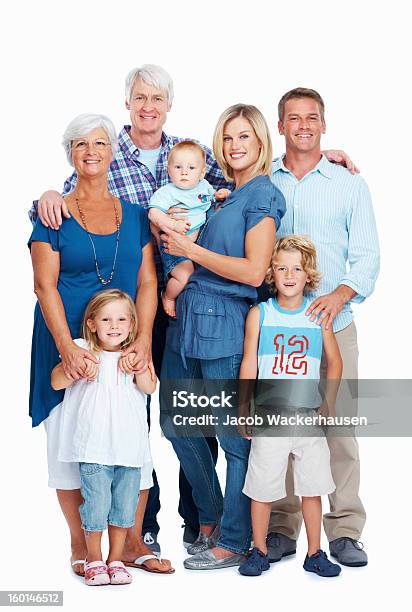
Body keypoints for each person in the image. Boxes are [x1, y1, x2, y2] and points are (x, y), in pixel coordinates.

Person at [28, 64, 229, 550]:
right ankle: (140, 529)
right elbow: (64, 207)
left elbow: (243, 185)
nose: (148, 106)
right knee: (124, 416)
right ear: (128, 103)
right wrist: (47, 193)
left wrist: (310, 154)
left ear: (168, 105)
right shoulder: (106, 151)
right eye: (140, 97)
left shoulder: (194, 154)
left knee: (185, 413)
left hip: (183, 303)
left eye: (157, 98)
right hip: (114, 316)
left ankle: (202, 519)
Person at [28, 113, 173, 575]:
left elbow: (148, 282)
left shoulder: (133, 215)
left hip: (123, 340)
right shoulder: (53, 213)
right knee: (69, 442)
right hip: (64, 337)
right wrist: (67, 348)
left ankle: (128, 543)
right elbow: (44, 286)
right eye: (80, 144)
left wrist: (145, 338)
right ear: (70, 155)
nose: (91, 151)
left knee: (129, 440)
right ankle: (80, 544)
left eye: (100, 143)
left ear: (113, 151)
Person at [159, 103, 286, 570]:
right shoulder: (220, 194)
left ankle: (234, 540)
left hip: (225, 326)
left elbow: (255, 271)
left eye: (244, 138)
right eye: (228, 138)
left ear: (260, 143)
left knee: (233, 438)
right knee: (177, 426)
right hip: (184, 323)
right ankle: (211, 517)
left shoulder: (262, 196)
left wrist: (190, 249)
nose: (234, 146)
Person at [265, 88, 380, 567]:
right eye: (294, 118)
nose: (304, 126)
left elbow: (368, 257)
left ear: (324, 124)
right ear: (281, 126)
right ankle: (282, 525)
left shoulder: (348, 183)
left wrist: (339, 295)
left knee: (337, 427)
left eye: (312, 118)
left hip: (335, 324)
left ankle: (346, 527)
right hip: (278, 328)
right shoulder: (263, 179)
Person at [238, 236, 342, 578]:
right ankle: (258, 550)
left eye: (297, 268)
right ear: (271, 271)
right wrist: (244, 406)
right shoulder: (261, 314)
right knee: (263, 487)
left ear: (308, 273)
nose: (289, 274)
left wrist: (327, 402)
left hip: (307, 419)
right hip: (269, 417)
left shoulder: (317, 316)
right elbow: (250, 362)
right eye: (281, 267)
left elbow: (335, 362)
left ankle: (315, 552)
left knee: (312, 488)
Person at [51, 289, 164, 585]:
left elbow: (151, 388)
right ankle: (94, 559)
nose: (114, 326)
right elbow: (55, 381)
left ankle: (116, 559)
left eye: (122, 320)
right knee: (97, 504)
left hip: (129, 449)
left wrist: (140, 368)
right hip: (94, 447)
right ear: (92, 324)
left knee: (124, 507)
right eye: (106, 319)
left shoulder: (134, 355)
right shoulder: (82, 349)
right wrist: (75, 369)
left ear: (132, 325)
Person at [148, 140, 231, 317]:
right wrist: (172, 224)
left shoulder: (204, 187)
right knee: (184, 276)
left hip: (197, 244)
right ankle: (168, 297)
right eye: (178, 167)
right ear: (169, 170)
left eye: (191, 168)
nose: (184, 172)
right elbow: (153, 213)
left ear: (202, 172)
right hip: (174, 246)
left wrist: (220, 194)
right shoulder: (167, 192)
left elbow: (212, 199)